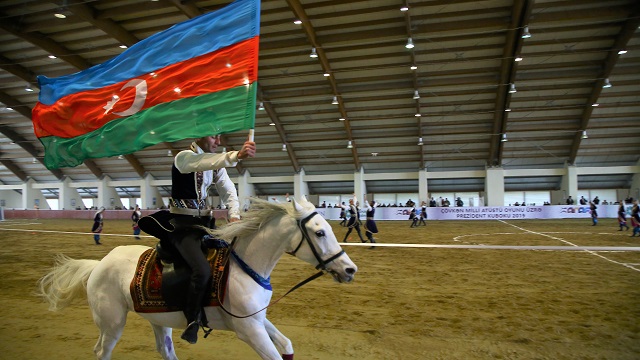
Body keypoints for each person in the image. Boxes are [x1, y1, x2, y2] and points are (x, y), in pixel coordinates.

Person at [170, 134, 255, 344]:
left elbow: (229, 191)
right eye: (214, 138)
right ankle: (192, 320)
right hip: (183, 229)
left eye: (219, 138)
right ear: (199, 137)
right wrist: (237, 155)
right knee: (202, 270)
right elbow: (202, 162)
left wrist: (234, 214)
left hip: (206, 227)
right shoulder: (183, 158)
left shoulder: (215, 164)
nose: (218, 142)